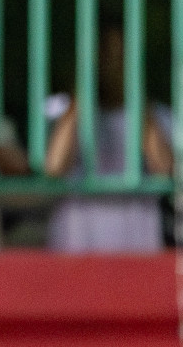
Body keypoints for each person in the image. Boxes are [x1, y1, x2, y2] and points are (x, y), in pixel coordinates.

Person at [43, 24, 175, 253]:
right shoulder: (58, 109)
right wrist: (83, 92)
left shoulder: (159, 117)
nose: (113, 65)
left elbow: (165, 170)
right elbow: (55, 167)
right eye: (105, 55)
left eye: (121, 56)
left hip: (138, 249)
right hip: (73, 248)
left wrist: (136, 96)